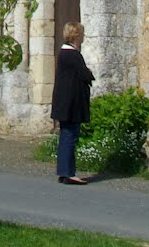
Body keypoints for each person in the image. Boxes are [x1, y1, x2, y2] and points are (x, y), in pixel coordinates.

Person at [50, 20, 94, 185]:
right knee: (70, 136)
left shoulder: (65, 53)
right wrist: (88, 72)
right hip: (70, 103)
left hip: (65, 102)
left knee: (66, 136)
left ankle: (64, 171)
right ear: (77, 35)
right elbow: (85, 75)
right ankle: (68, 173)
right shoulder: (72, 54)